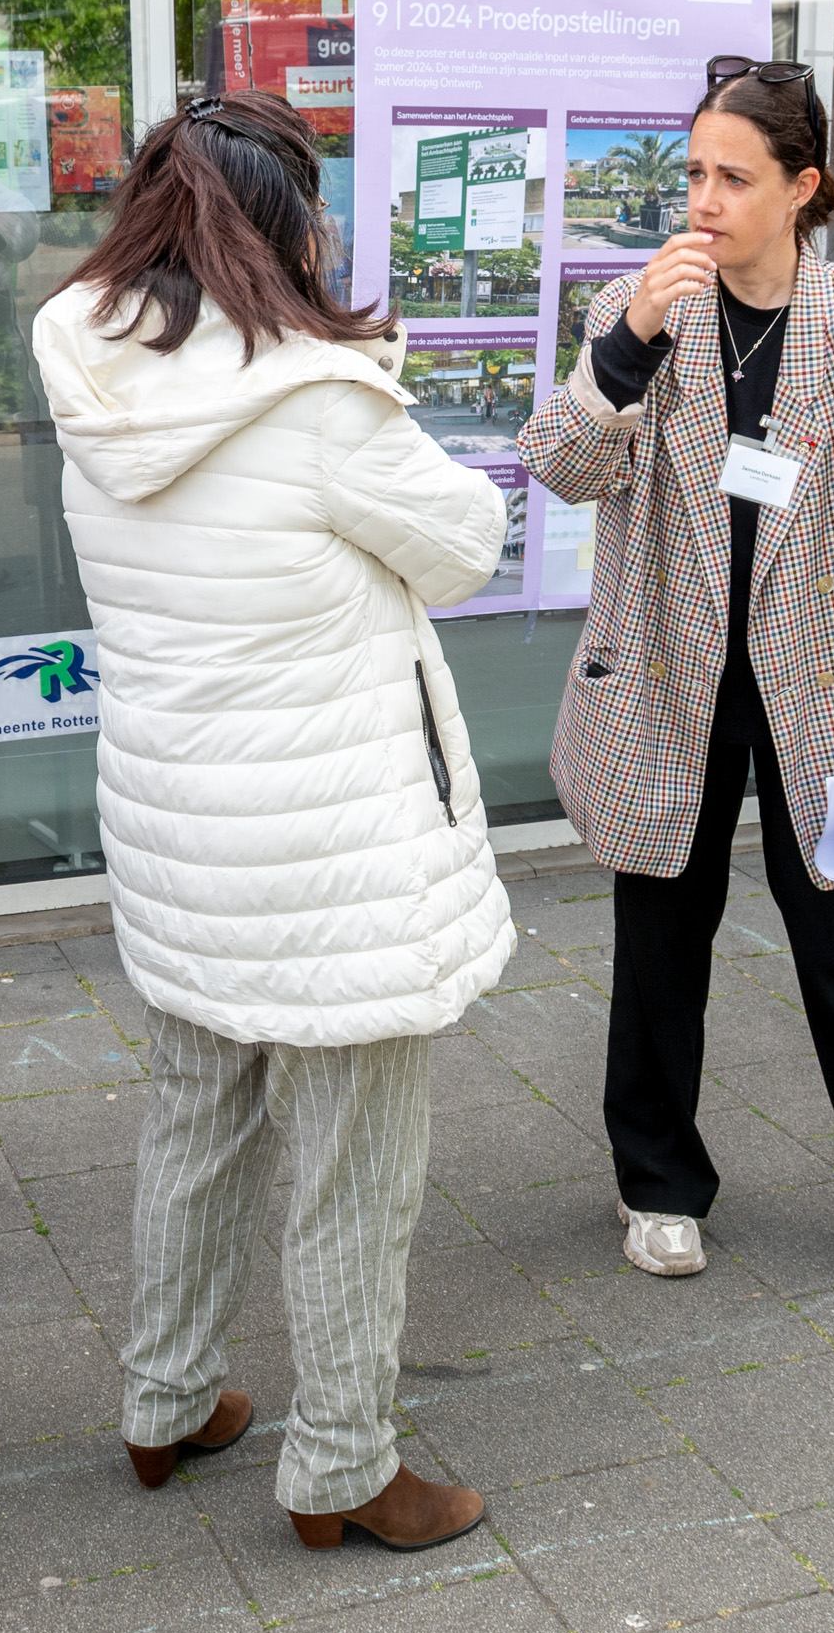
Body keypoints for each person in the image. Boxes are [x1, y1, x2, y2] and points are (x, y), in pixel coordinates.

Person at [33, 91, 512, 1553]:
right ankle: (347, 1466)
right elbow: (468, 549)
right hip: (334, 851)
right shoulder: (314, 403)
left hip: (188, 839)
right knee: (354, 1167)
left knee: (196, 1118)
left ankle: (166, 1399)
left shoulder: (89, 366)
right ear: (283, 222)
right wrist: (372, 370)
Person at [515, 59, 834, 1287]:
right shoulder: (636, 315)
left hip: (823, 697)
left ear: (804, 188)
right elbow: (562, 471)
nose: (704, 200)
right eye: (692, 173)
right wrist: (629, 343)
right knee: (658, 948)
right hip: (665, 686)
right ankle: (658, 1184)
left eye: (734, 177)